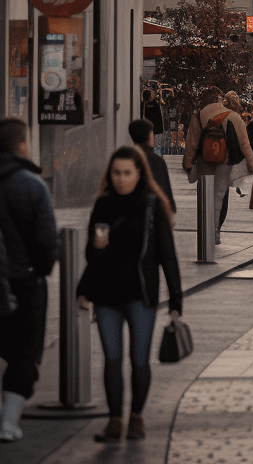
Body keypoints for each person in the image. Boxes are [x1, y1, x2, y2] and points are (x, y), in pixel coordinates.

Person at [77, 146, 182, 442]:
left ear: (139, 174)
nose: (121, 179)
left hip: (141, 295)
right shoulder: (102, 205)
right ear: (109, 174)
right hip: (107, 295)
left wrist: (176, 300)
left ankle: (136, 417)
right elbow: (90, 254)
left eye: (127, 173)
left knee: (138, 360)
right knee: (111, 359)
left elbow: (167, 255)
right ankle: (114, 420)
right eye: (116, 173)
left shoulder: (152, 207)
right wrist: (95, 253)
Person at [0, 119, 58, 442]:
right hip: (24, 280)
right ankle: (8, 422)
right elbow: (47, 240)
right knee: (25, 350)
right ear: (22, 144)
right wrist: (41, 270)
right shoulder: (32, 185)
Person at [182, 87, 253, 245]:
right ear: (219, 98)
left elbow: (192, 142)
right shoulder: (233, 116)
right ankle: (216, 229)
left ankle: (205, 228)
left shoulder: (199, 115)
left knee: (204, 196)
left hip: (204, 161)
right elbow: (245, 145)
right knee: (220, 197)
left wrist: (189, 163)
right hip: (224, 162)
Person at [128, 119, 176, 213]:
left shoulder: (126, 158)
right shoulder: (156, 161)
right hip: (152, 213)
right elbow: (165, 188)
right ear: (149, 136)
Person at [141, 89, 166, 156]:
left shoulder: (143, 106)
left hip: (149, 130)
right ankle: (156, 161)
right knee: (157, 148)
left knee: (149, 148)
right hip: (157, 130)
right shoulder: (156, 105)